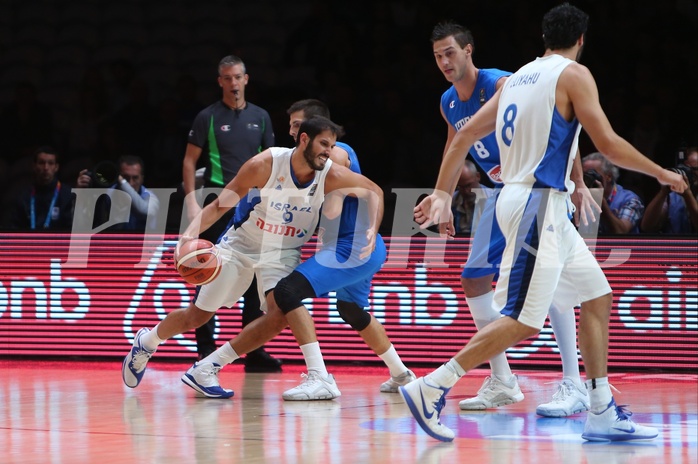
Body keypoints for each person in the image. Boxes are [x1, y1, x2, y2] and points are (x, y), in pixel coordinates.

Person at [403, 3, 685, 442]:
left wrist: (441, 193)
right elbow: (607, 144)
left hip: (532, 201)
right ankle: (431, 385)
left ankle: (600, 410)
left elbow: (461, 137)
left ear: (544, 38)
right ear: (582, 40)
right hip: (536, 203)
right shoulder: (573, 74)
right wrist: (662, 174)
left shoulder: (516, 77)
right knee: (523, 320)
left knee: (597, 295)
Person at [122, 116, 383, 399]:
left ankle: (211, 367)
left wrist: (372, 228)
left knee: (282, 311)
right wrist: (188, 235)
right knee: (196, 316)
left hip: (282, 252)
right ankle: (147, 341)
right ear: (304, 139)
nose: (328, 151)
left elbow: (375, 191)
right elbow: (221, 203)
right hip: (241, 245)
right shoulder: (266, 164)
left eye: (331, 146)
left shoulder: (330, 172)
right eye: (323, 144)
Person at [183, 99, 413, 400]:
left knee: (286, 293)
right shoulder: (315, 158)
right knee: (351, 310)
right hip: (365, 249)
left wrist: (332, 203)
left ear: (313, 129)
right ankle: (401, 373)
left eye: (296, 124)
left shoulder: (334, 156)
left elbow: (335, 206)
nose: (291, 131)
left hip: (350, 246)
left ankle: (319, 377)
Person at [428, 21, 588, 417]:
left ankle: (573, 381)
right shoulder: (449, 101)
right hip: (503, 195)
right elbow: (454, 148)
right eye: (437, 56)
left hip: (540, 189)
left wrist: (579, 183)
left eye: (450, 52)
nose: (444, 61)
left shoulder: (503, 84)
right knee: (473, 277)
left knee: (553, 284)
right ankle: (503, 379)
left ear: (469, 50)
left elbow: (557, 125)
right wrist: (442, 198)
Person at [181, 54, 280, 371]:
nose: (233, 83)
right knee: (207, 273)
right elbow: (188, 162)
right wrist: (192, 202)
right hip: (217, 200)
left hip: (252, 206)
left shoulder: (261, 117)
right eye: (227, 78)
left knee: (254, 277)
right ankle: (204, 351)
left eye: (238, 77)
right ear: (220, 81)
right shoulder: (207, 117)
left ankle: (253, 353)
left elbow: (271, 163)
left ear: (246, 79)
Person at [76, 155, 160, 231]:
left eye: (135, 178)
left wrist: (122, 181)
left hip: (144, 246)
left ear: (142, 179)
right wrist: (80, 195)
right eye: (125, 178)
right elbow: (81, 225)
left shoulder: (150, 197)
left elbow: (142, 211)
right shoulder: (107, 195)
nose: (130, 183)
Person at [8, 146, 74, 231]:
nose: (46, 168)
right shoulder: (24, 197)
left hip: (57, 243)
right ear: (34, 166)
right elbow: (14, 228)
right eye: (42, 163)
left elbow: (70, 229)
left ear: (56, 167)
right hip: (28, 243)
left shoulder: (67, 195)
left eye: (50, 163)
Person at [582, 152, 645, 234]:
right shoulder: (581, 195)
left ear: (609, 177)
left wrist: (601, 202)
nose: (587, 179)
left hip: (620, 247)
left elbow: (621, 232)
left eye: (592, 174)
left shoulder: (630, 199)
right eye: (585, 176)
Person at [641, 147, 698, 234]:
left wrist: (688, 195)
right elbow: (647, 227)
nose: (689, 173)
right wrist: (663, 192)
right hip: (675, 246)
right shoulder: (673, 197)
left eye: (694, 169)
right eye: (685, 169)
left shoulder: (686, 194)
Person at [451, 160, 490, 235]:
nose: (466, 191)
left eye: (469, 185)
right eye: (460, 187)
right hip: (458, 244)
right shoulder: (450, 201)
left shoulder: (493, 199)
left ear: (478, 176)